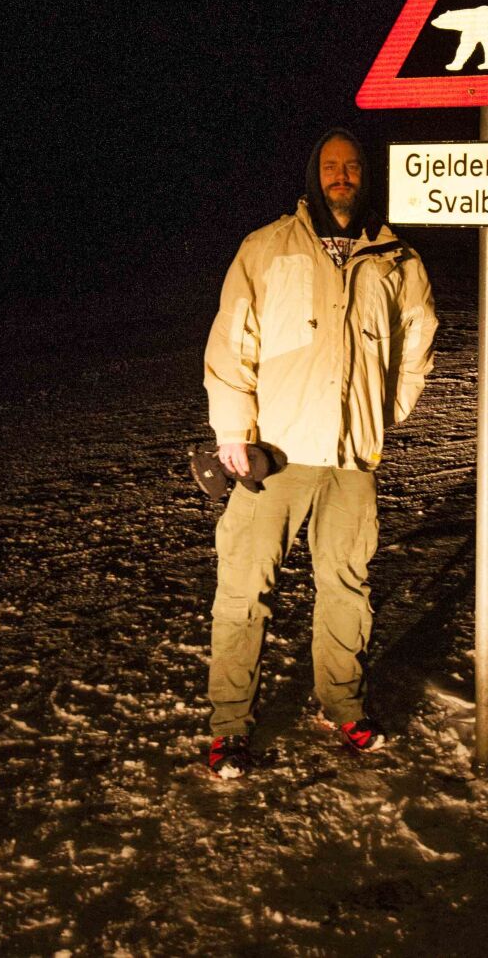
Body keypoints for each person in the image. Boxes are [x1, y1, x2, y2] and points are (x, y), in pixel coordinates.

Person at [202, 127, 438, 778]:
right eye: (330, 166)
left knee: (347, 587)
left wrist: (382, 414)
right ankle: (229, 730)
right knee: (244, 591)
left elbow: (418, 344)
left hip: (351, 458)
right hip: (272, 454)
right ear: (313, 175)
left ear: (366, 177)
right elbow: (230, 346)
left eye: (352, 166)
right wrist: (233, 434)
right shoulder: (268, 249)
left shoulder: (396, 259)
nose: (342, 175)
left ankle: (343, 706)